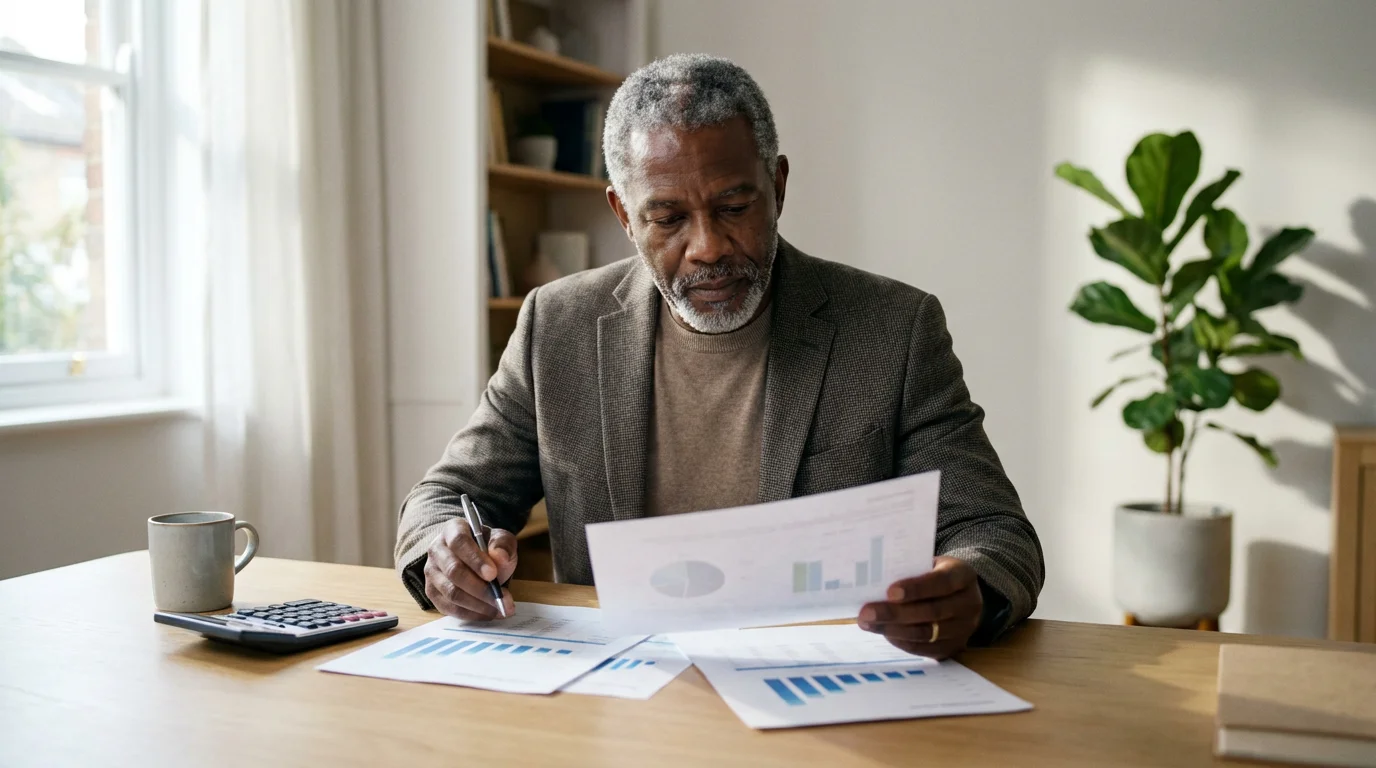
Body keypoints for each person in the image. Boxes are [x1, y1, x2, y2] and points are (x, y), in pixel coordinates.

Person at [395, 53, 1043, 658]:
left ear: (778, 186)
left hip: (823, 687)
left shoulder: (892, 330)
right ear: (624, 213)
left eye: (733, 206)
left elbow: (993, 532)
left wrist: (971, 589)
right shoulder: (557, 328)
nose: (707, 246)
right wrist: (446, 554)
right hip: (622, 688)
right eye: (668, 218)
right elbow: (448, 496)